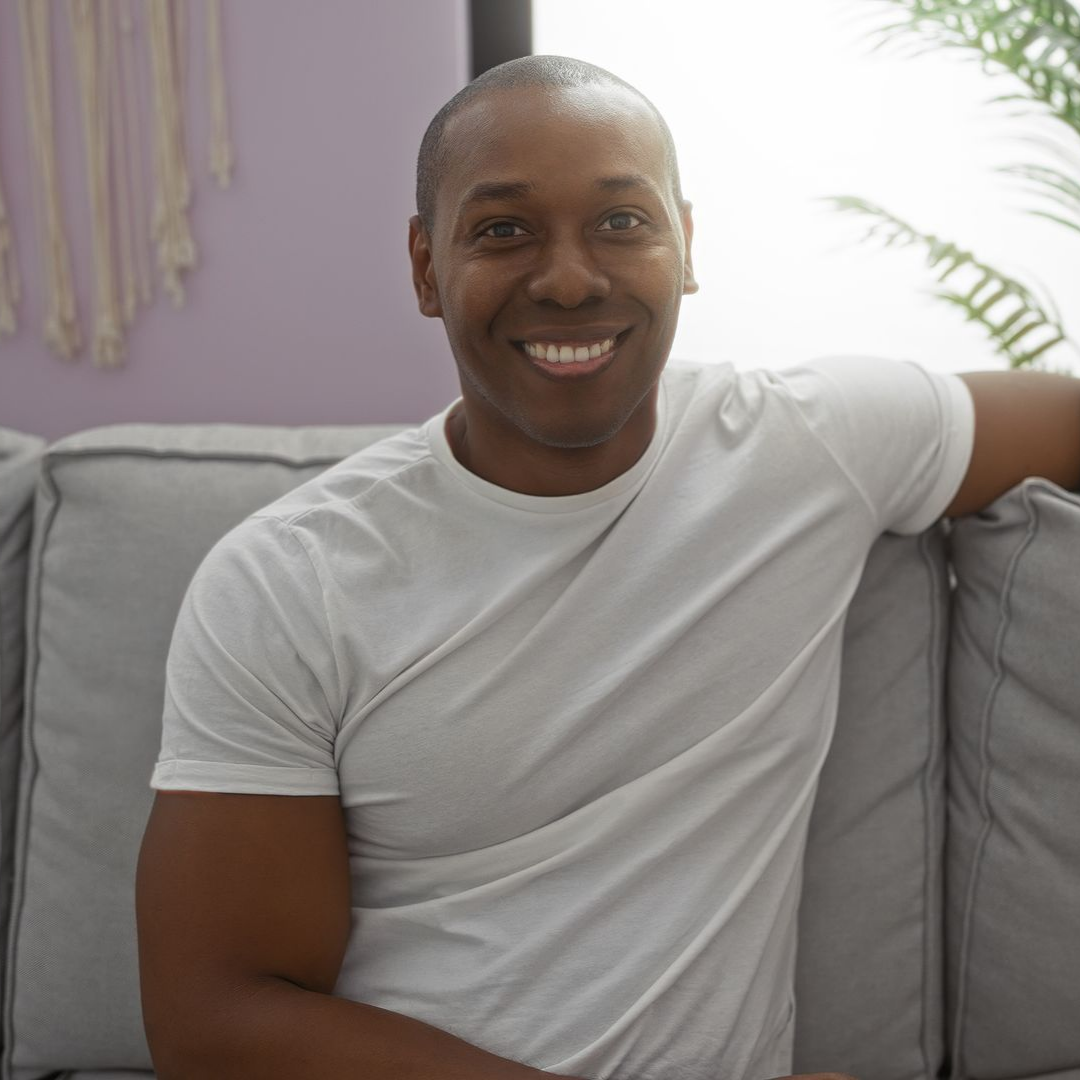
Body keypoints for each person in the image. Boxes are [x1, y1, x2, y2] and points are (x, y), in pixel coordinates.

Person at [134, 55, 1080, 1080]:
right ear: (423, 266)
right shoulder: (288, 580)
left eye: (623, 223)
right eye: (503, 229)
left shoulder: (811, 447)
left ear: (684, 248)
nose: (572, 278)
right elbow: (215, 1019)